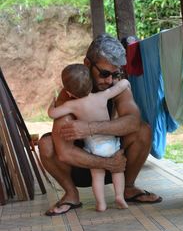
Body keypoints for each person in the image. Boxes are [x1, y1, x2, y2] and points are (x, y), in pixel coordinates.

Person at [38, 33, 162, 216]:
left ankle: (128, 188)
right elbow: (64, 153)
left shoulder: (115, 86)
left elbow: (133, 121)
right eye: (104, 73)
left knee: (144, 130)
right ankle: (71, 194)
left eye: (115, 73)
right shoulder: (70, 93)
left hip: (116, 158)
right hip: (82, 163)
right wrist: (108, 163)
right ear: (87, 64)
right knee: (46, 144)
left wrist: (90, 128)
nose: (110, 80)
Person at [48, 63, 129, 212]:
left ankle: (101, 204)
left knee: (97, 175)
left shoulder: (72, 105)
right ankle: (119, 196)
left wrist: (52, 104)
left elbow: (52, 114)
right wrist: (119, 80)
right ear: (91, 84)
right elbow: (123, 84)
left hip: (94, 147)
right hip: (111, 143)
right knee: (118, 171)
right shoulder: (102, 96)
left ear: (69, 92)